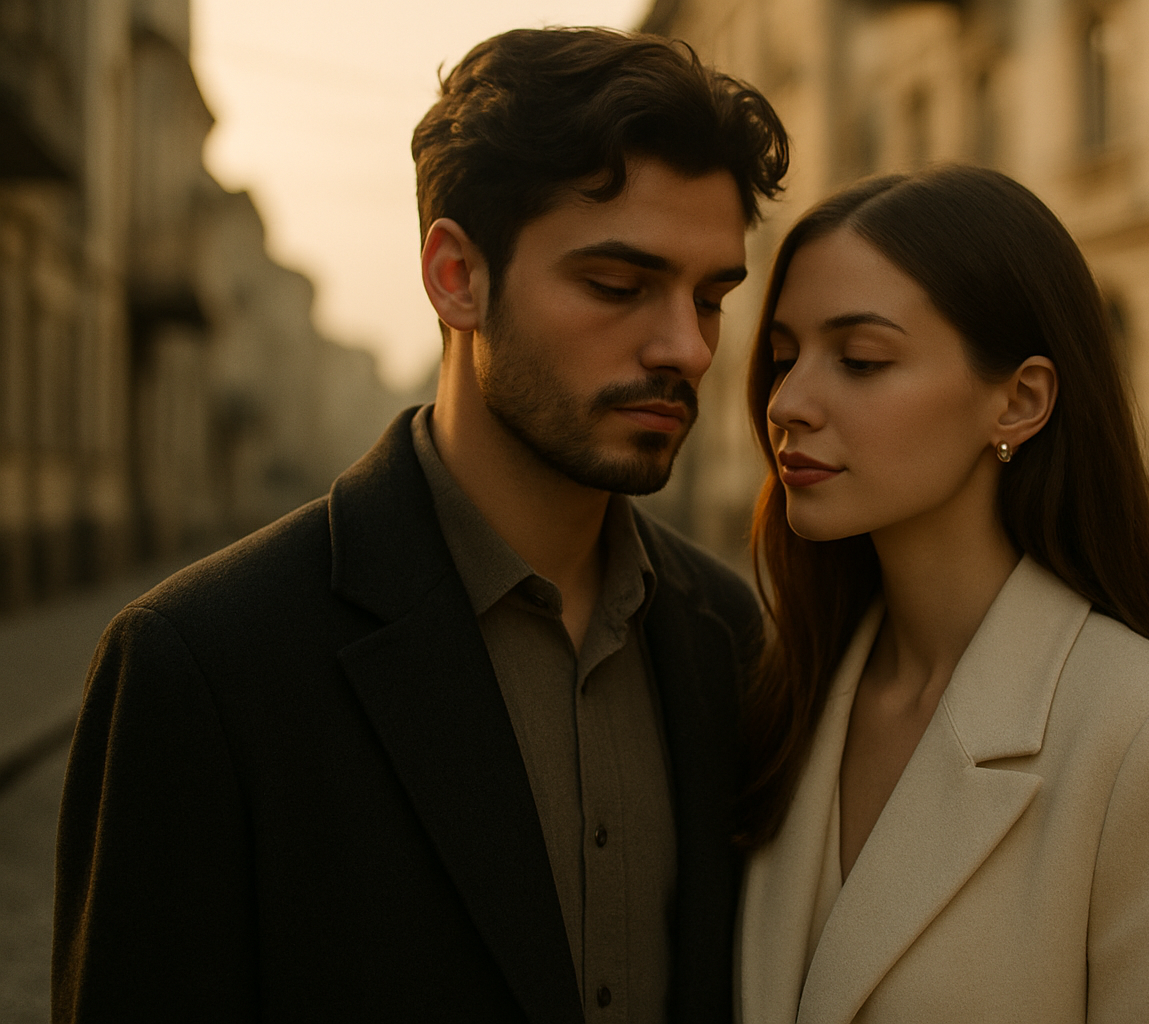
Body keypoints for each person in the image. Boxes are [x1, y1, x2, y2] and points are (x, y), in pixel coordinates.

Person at [53, 28, 787, 1024]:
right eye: (618, 286)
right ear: (456, 276)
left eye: (711, 298)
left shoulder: (728, 638)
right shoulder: (203, 666)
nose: (687, 347)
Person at [734, 166, 1149, 1024]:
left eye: (861, 360)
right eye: (783, 357)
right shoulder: (785, 697)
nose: (788, 403)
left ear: (1020, 401)